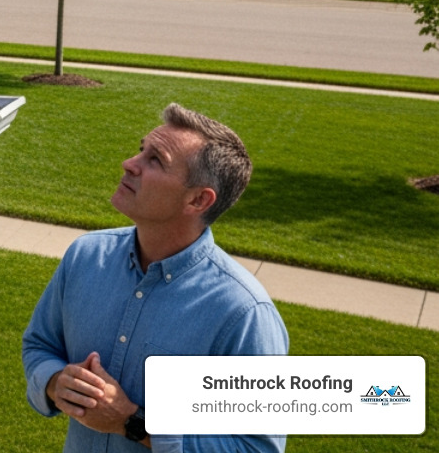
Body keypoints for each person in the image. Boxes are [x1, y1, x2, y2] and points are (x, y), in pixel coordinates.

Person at [22, 104, 288, 452]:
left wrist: (132, 423)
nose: (130, 164)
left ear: (197, 199)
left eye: (155, 160)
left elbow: (256, 447)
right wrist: (55, 383)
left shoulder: (243, 313)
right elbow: (40, 345)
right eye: (141, 149)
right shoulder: (85, 256)